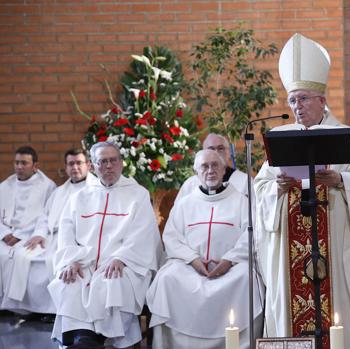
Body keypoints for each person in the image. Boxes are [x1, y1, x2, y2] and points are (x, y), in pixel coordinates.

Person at [254, 33, 350, 349]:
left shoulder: (346, 136)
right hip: (291, 246)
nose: (296, 106)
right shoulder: (280, 136)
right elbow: (259, 187)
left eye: (302, 99)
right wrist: (276, 188)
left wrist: (341, 182)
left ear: (321, 101)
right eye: (292, 100)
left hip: (337, 248)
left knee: (335, 312)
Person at [48, 142, 160, 349]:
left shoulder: (137, 194)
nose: (108, 166)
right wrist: (71, 260)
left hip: (124, 263)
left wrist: (122, 258)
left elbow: (143, 234)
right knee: (70, 281)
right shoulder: (80, 196)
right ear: (93, 166)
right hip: (84, 261)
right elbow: (66, 231)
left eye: (113, 161)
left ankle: (90, 342)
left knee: (112, 283)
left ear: (121, 163)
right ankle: (82, 339)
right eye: (103, 162)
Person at [147, 149, 262, 349]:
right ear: (196, 171)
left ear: (224, 169)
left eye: (215, 165)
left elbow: (252, 234)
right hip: (191, 267)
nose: (210, 170)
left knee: (248, 279)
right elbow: (172, 237)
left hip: (232, 267)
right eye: (204, 166)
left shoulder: (242, 202)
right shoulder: (184, 204)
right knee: (166, 279)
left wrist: (228, 260)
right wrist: (193, 260)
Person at [1, 148, 94, 317]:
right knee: (24, 255)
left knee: (52, 260)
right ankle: (31, 308)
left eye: (79, 163)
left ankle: (56, 310)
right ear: (65, 168)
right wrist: (39, 234)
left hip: (80, 240)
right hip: (53, 237)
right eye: (71, 164)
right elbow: (45, 216)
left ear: (88, 165)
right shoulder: (60, 192)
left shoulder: (96, 190)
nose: (75, 168)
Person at [0, 146, 56, 315]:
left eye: (24, 163)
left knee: (22, 256)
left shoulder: (48, 186)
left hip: (32, 236)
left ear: (35, 165)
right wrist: (4, 234)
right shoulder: (5, 186)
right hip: (6, 235)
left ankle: (24, 307)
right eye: (17, 162)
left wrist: (20, 236)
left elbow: (47, 216)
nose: (19, 167)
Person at [175, 133, 250, 203]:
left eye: (221, 148)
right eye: (211, 149)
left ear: (229, 152)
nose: (216, 152)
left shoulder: (244, 181)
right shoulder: (190, 184)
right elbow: (178, 214)